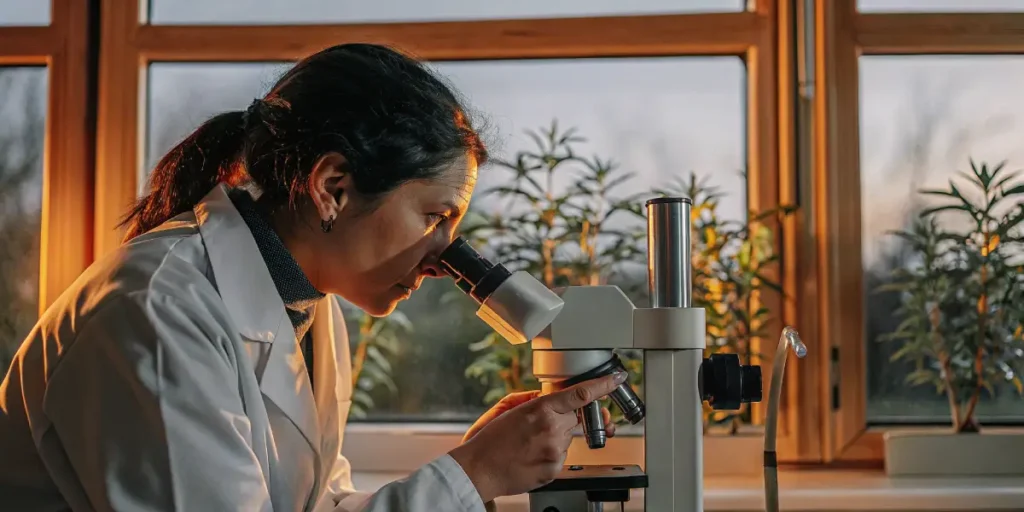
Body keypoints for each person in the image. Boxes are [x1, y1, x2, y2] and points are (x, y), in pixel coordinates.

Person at [0, 43, 626, 511]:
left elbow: (317, 505)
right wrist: (469, 477)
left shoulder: (304, 303)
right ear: (333, 188)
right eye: (434, 216)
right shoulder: (156, 308)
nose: (444, 260)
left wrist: (473, 466)